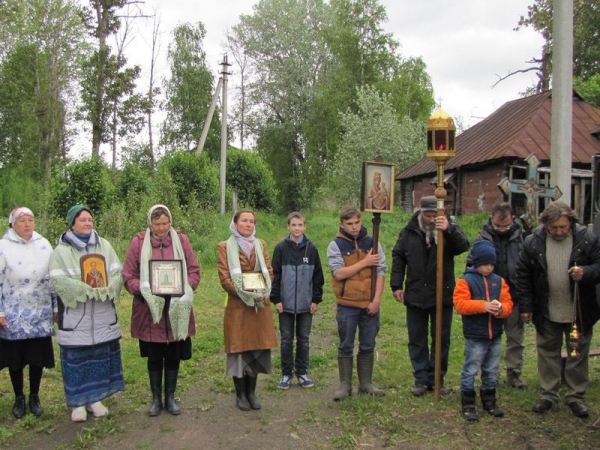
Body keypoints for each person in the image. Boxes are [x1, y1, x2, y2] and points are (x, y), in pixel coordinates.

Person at [516, 201, 600, 418]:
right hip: (547, 309)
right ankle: (548, 395)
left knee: (576, 353)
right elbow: (523, 276)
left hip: (577, 311)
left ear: (570, 222)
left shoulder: (587, 240)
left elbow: (599, 267)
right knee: (548, 352)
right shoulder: (532, 243)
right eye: (554, 228)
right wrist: (525, 306)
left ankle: (575, 396)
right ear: (546, 224)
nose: (559, 231)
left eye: (563, 227)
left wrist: (586, 272)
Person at [49, 205, 125, 422]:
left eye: (90, 219)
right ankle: (77, 403)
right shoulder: (61, 251)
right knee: (76, 359)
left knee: (99, 356)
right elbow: (57, 281)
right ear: (72, 223)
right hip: (76, 316)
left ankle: (96, 399)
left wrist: (110, 287)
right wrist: (83, 289)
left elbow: (117, 272)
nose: (87, 223)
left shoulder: (105, 246)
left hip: (101, 314)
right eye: (82, 220)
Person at [123, 205, 201, 416]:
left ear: (170, 222)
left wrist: (186, 288)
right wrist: (144, 289)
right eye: (157, 224)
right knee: (155, 355)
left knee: (174, 353)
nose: (161, 228)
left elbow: (194, 270)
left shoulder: (181, 240)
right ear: (150, 223)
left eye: (165, 223)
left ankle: (170, 397)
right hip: (150, 310)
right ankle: (156, 399)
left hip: (177, 307)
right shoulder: (139, 242)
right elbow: (128, 275)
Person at [390, 195, 469, 396]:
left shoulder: (448, 228)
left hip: (441, 294)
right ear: (421, 212)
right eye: (428, 215)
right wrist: (396, 285)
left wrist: (448, 230)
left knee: (441, 338)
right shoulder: (409, 231)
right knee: (417, 338)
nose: (431, 219)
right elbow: (398, 256)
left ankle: (437, 378)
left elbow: (463, 246)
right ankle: (421, 379)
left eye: (435, 215)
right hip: (416, 293)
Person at [217, 209, 278, 411]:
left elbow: (268, 271)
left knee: (257, 349)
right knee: (239, 350)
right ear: (235, 223)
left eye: (252, 221)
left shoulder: (261, 245)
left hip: (260, 306)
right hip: (238, 307)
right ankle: (240, 395)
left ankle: (252, 393)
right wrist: (245, 295)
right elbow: (225, 279)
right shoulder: (224, 247)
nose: (249, 224)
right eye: (244, 220)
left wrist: (263, 291)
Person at [0, 207, 56, 419]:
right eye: (22, 221)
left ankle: (34, 396)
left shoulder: (43, 244)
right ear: (13, 224)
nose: (27, 224)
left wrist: (55, 307)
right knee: (15, 358)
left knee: (36, 356)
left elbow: (52, 278)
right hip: (14, 312)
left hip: (40, 311)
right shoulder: (3, 246)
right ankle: (18, 397)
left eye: (30, 220)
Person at [327, 206, 386, 401]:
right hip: (347, 304)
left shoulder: (373, 243)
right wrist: (365, 262)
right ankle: (345, 385)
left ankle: (366, 383)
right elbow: (339, 273)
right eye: (349, 224)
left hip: (369, 304)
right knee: (346, 344)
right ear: (342, 224)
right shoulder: (335, 245)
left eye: (357, 223)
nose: (354, 227)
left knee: (368, 344)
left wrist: (376, 300)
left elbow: (380, 272)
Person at [467, 203, 528, 389]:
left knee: (515, 337)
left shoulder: (523, 239)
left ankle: (514, 374)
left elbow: (528, 269)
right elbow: (470, 266)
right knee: (487, 337)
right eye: (498, 226)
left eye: (506, 226)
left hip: (514, 295)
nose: (502, 229)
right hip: (487, 297)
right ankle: (486, 374)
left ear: (513, 220)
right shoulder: (482, 238)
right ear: (491, 219)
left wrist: (526, 302)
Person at [454, 240, 513, 422]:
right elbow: (460, 304)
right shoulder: (465, 281)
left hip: (494, 334)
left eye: (491, 264)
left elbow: (508, 303)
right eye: (485, 264)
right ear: (476, 263)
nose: (488, 268)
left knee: (491, 369)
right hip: (475, 335)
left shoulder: (499, 281)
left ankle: (489, 401)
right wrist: (483, 306)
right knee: (471, 368)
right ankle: (468, 403)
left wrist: (501, 308)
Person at [271, 211, 324, 390]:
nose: (296, 228)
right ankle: (286, 374)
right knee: (286, 339)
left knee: (303, 339)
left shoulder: (312, 248)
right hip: (284, 304)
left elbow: (318, 277)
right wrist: (276, 298)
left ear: (305, 226)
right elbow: (275, 276)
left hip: (305, 304)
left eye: (300, 225)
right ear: (288, 226)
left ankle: (302, 373)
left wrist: (316, 299)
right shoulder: (280, 249)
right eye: (293, 225)